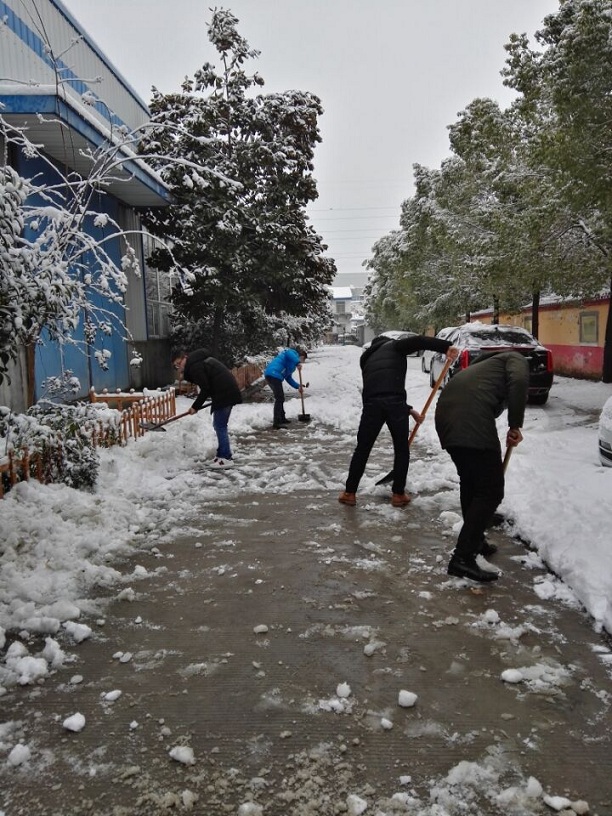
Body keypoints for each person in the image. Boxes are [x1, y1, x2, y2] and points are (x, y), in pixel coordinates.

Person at [434, 351, 529, 583]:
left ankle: (474, 541)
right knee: (490, 490)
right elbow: (519, 380)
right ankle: (462, 558)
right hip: (469, 421)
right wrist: (515, 425)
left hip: (446, 418)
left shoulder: (481, 369)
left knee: (471, 483)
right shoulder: (516, 359)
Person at [338, 334, 458, 507]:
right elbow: (419, 341)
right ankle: (398, 494)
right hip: (395, 403)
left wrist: (409, 410)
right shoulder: (394, 346)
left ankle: (349, 493)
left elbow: (380, 387)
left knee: (362, 449)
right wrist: (446, 347)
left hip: (372, 405)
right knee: (401, 449)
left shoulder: (367, 359)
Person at [172, 349, 242, 469]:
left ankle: (225, 458)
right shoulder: (196, 362)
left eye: (179, 363)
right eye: (176, 365)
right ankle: (221, 455)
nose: (179, 366)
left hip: (225, 393)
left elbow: (205, 389)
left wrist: (195, 407)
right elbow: (207, 384)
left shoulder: (195, 367)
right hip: (225, 392)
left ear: (185, 357)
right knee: (218, 425)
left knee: (220, 426)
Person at [264, 347, 307, 429]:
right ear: (301, 356)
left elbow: (288, 378)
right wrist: (297, 363)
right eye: (303, 359)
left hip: (273, 376)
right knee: (279, 398)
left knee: (280, 397)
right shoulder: (292, 353)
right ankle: (277, 422)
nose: (302, 361)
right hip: (273, 373)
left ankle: (282, 418)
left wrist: (298, 386)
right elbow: (288, 353)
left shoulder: (292, 365)